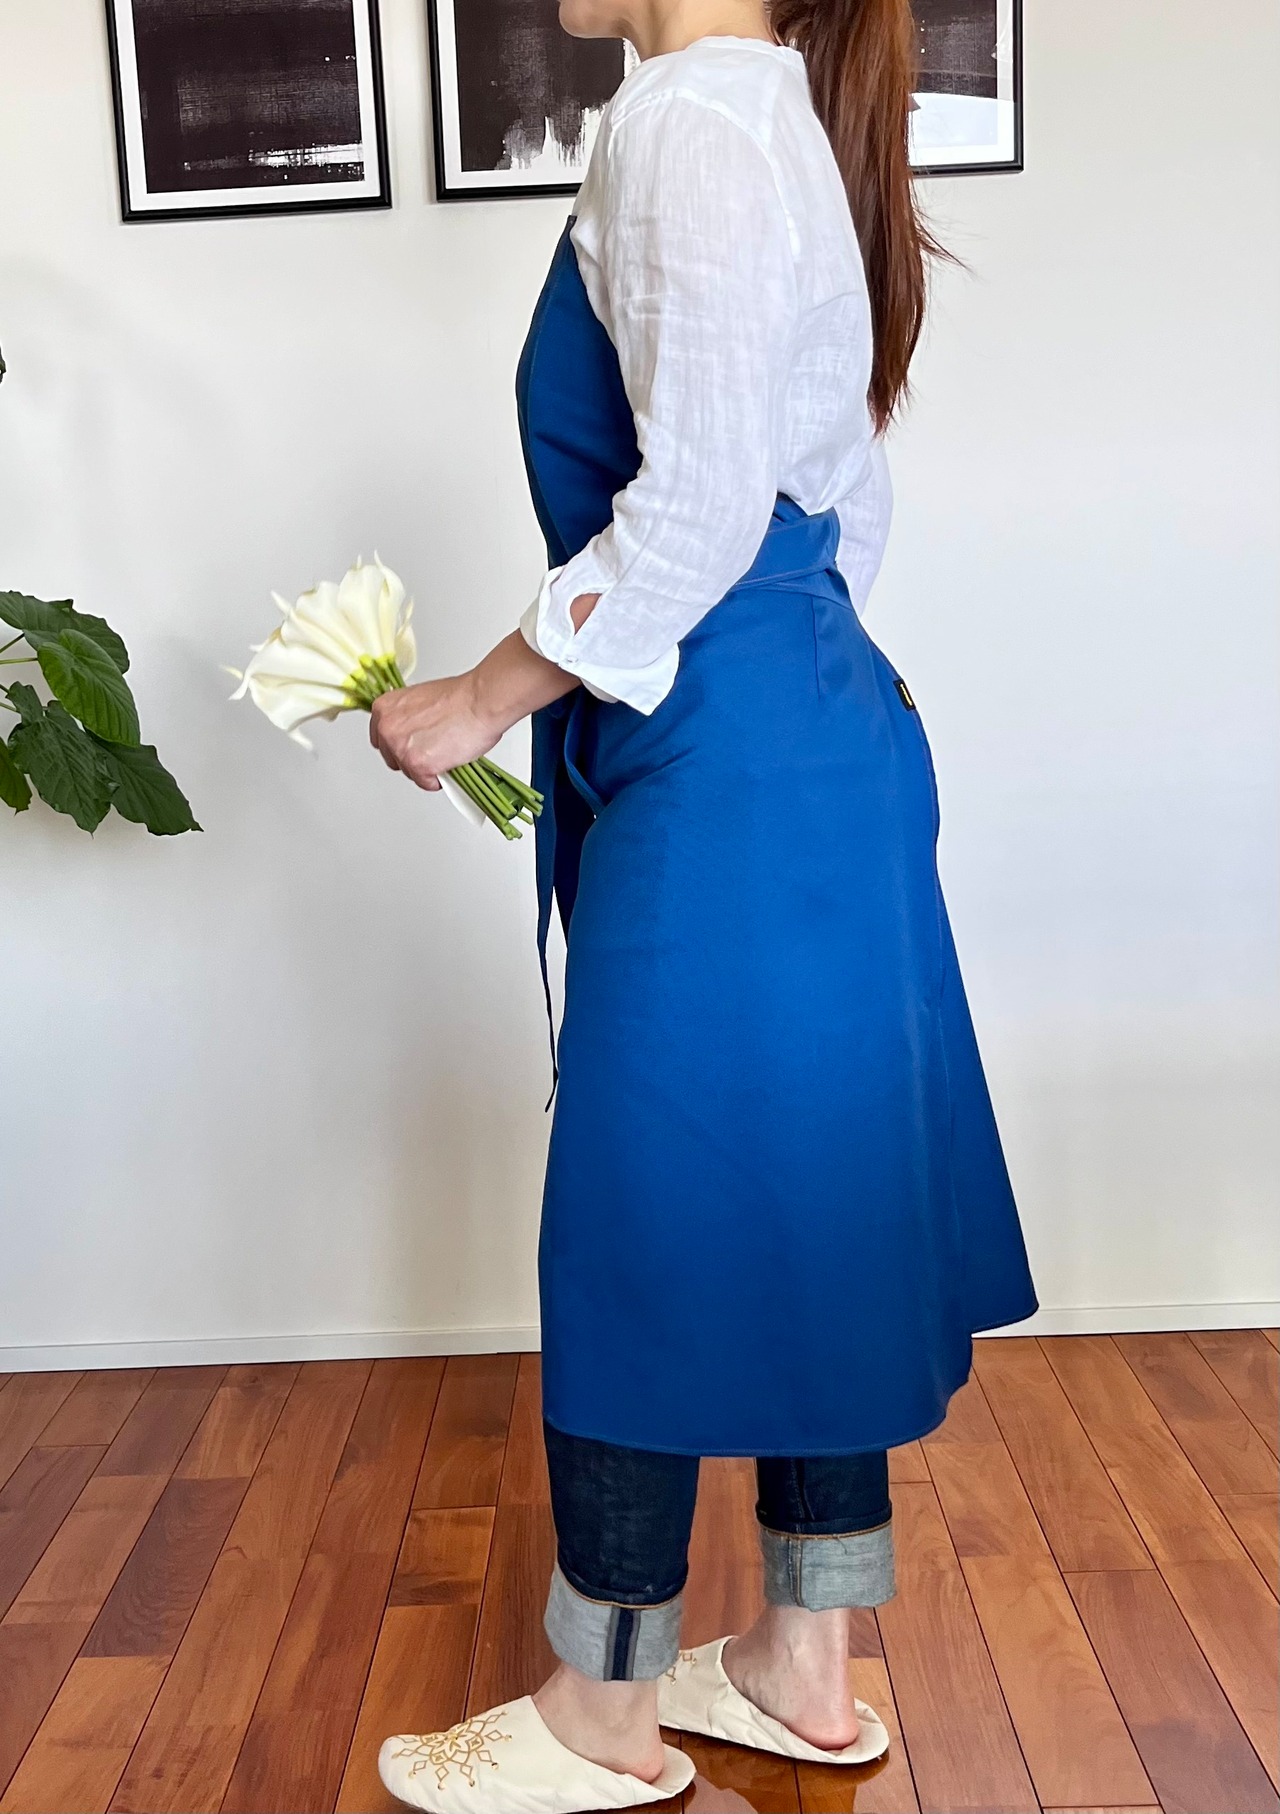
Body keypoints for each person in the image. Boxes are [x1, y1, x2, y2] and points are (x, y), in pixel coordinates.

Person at [372, 0, 1038, 1807]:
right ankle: (801, 1664)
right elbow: (838, 503)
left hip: (730, 746)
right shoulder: (769, 119)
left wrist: (480, 696)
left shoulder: (686, 124)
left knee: (640, 1208)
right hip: (805, 725)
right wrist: (785, 684)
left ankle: (605, 1708)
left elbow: (705, 507)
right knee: (812, 1182)